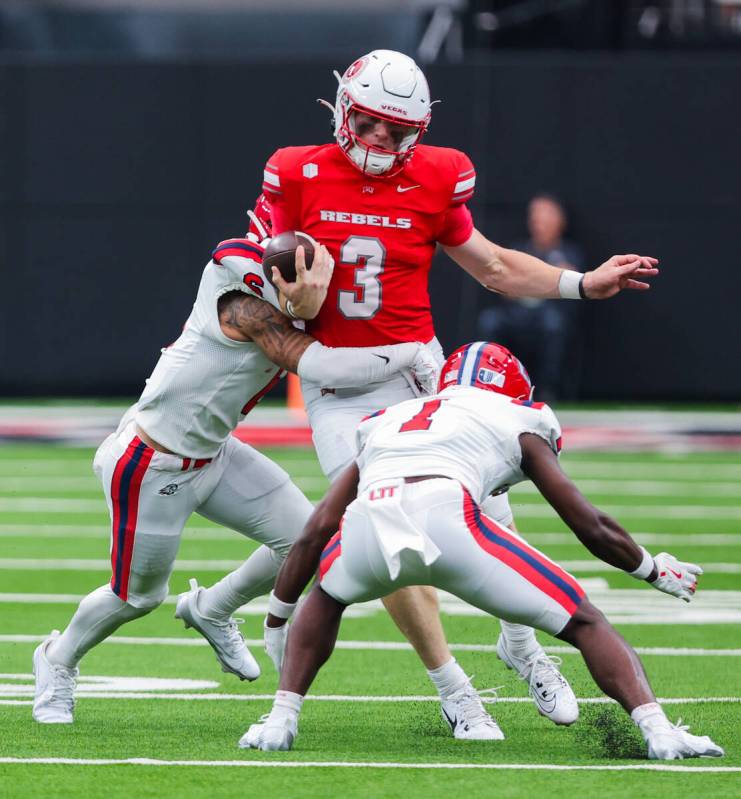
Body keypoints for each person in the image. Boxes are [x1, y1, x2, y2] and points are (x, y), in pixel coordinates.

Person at [249, 48, 660, 737]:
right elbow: (248, 266)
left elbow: (494, 266)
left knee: (492, 516)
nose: (382, 141)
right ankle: (454, 685)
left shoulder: (438, 175)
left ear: (420, 129)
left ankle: (522, 646)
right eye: (371, 125)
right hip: (337, 384)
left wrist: (579, 282)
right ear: (344, 109)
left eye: (397, 130)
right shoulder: (296, 170)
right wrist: (281, 289)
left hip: (417, 374)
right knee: (389, 533)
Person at [240, 342, 724, 761]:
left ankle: (281, 718)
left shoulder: (384, 419)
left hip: (372, 521)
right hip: (449, 518)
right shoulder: (517, 415)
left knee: (328, 594)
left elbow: (317, 529)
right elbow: (589, 524)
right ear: (513, 389)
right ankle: (659, 731)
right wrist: (651, 569)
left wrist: (278, 618)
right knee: (585, 621)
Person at [32, 234, 438, 724]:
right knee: (138, 596)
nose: (317, 291)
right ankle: (56, 660)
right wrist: (413, 351)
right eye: (306, 280)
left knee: (308, 541)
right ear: (279, 276)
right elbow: (317, 363)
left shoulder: (289, 293)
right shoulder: (246, 306)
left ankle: (212, 607)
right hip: (152, 464)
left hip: (214, 453)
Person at [477, 193, 585, 401]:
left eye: (545, 216)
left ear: (559, 221)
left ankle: (548, 390)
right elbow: (505, 282)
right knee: (490, 321)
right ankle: (493, 383)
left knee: (553, 324)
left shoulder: (569, 252)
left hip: (549, 314)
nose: (539, 223)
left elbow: (575, 285)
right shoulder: (520, 250)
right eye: (535, 217)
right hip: (517, 313)